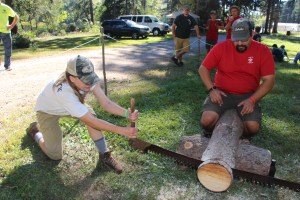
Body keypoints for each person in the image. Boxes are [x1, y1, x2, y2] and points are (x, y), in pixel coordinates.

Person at [26, 55, 139, 174]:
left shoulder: (87, 79)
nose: (89, 83)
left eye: (90, 78)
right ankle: (35, 132)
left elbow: (106, 103)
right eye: (85, 80)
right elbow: (91, 121)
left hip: (71, 105)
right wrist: (122, 130)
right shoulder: (64, 91)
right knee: (54, 155)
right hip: (47, 111)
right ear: (72, 78)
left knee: (91, 116)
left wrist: (126, 113)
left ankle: (104, 155)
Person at [198, 18, 275, 139]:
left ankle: (241, 139)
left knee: (253, 127)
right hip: (222, 93)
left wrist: (252, 100)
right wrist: (212, 89)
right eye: (236, 39)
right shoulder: (221, 47)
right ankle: (209, 134)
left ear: (252, 34)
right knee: (206, 120)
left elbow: (269, 80)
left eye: (244, 39)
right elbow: (203, 69)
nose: (239, 43)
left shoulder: (263, 51)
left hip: (248, 95)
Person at [0, 1, 19, 71]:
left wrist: (11, 26)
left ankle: (7, 66)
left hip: (6, 32)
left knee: (8, 50)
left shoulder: (6, 7)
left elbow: (16, 17)